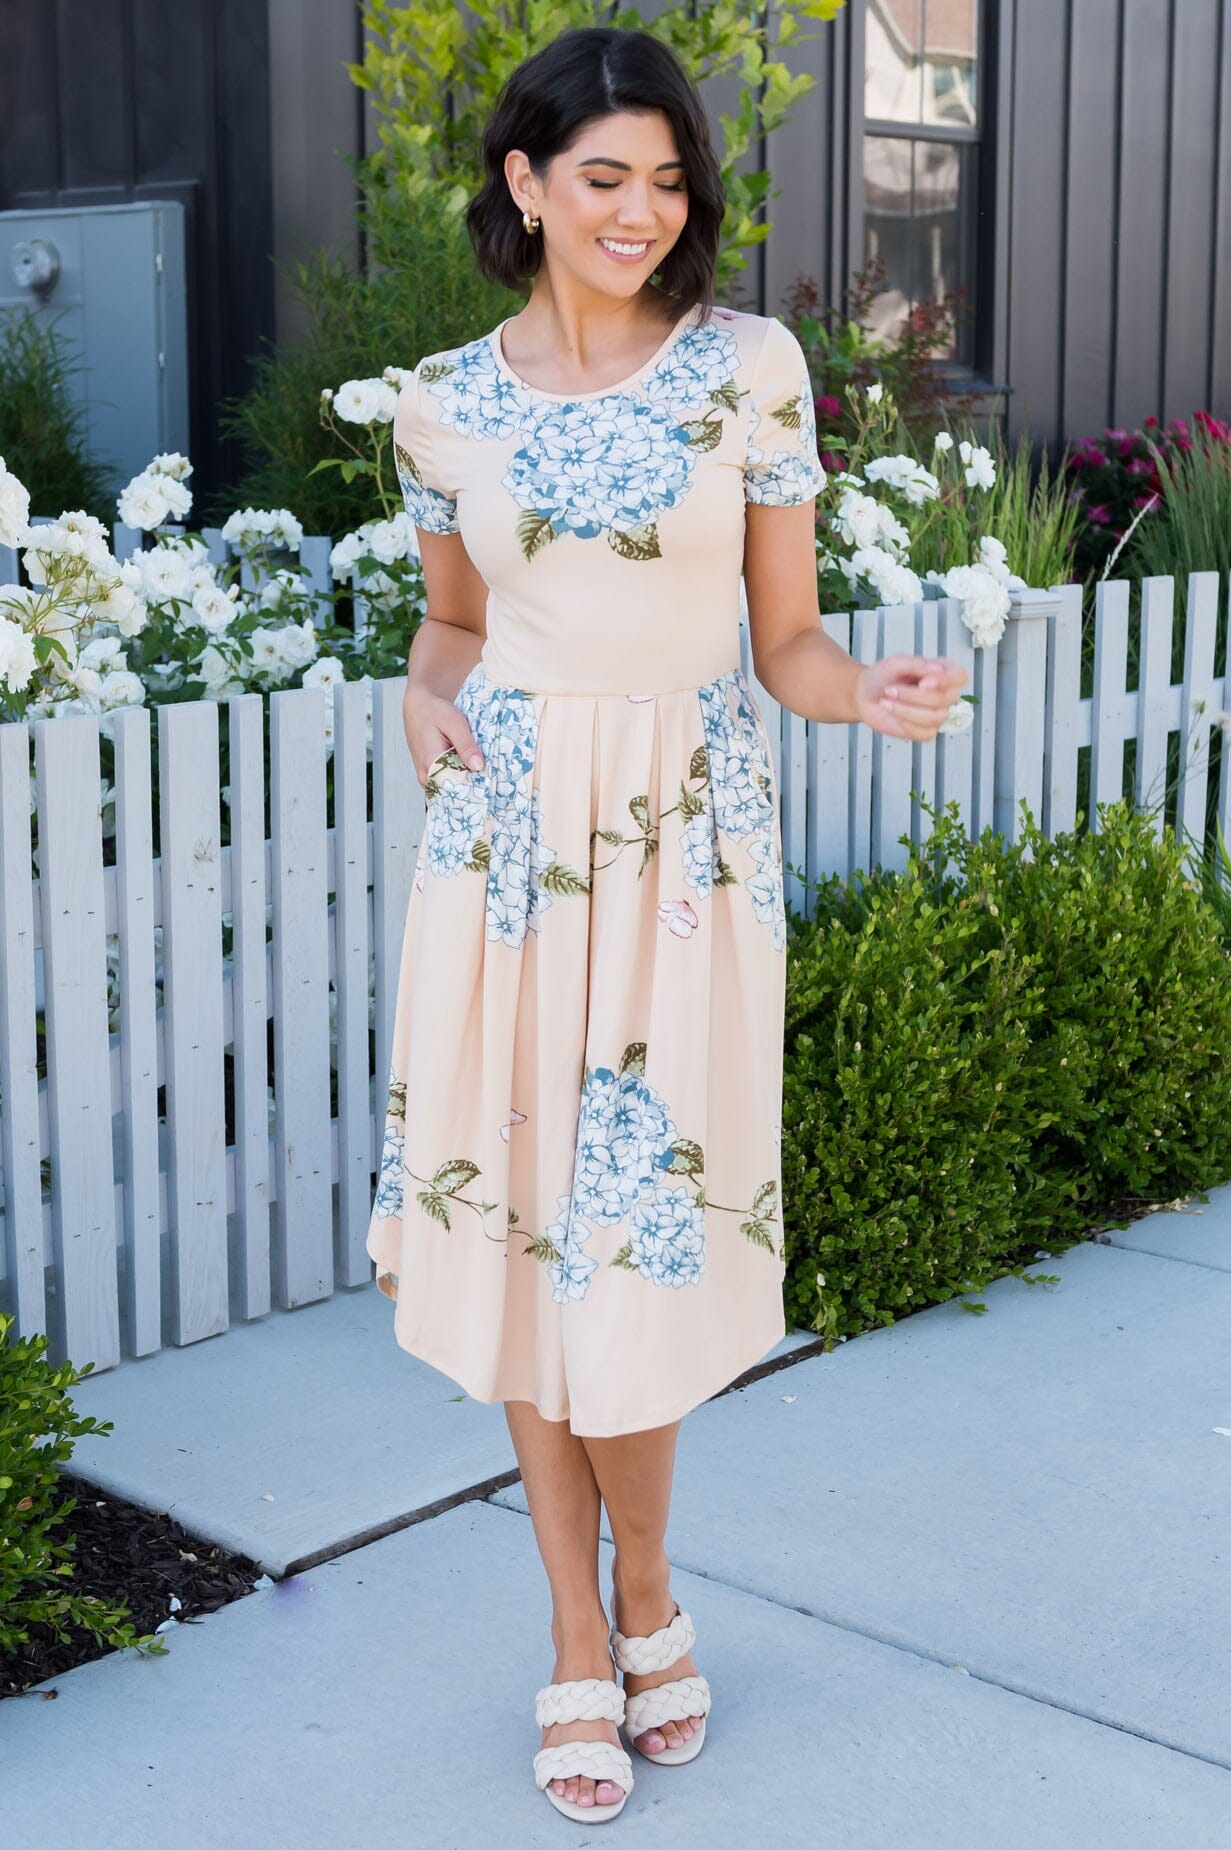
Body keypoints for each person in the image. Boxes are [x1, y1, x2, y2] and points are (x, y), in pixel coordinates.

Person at [364, 23, 967, 1825]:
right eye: (603, 176)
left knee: (632, 1249)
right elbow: (454, 627)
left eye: (668, 179)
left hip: (683, 862)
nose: (642, 211)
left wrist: (862, 690)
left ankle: (648, 1583)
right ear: (526, 182)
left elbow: (784, 641)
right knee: (532, 1252)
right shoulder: (441, 405)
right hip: (504, 868)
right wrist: (420, 695)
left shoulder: (750, 372)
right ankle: (579, 1628)